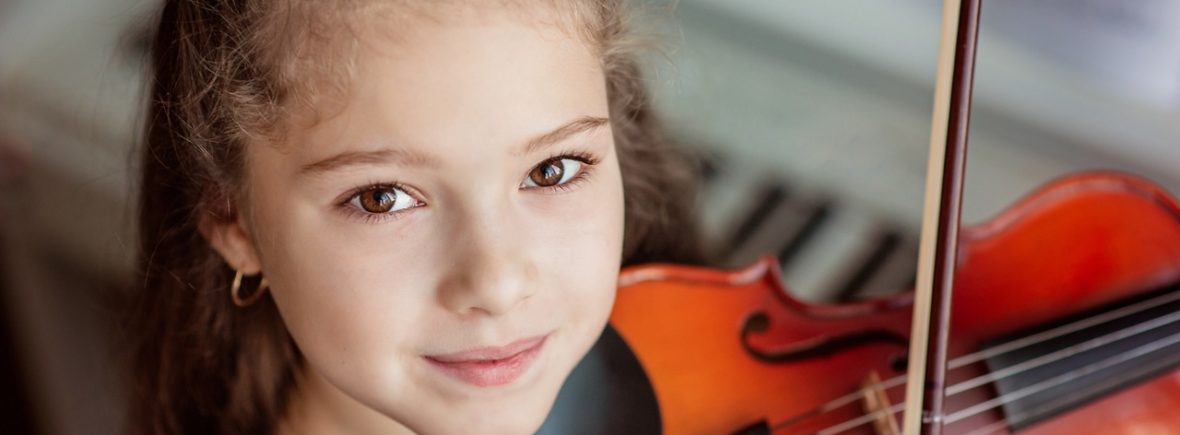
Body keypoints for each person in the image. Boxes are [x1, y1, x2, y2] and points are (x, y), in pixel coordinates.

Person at [126, 0, 702, 434]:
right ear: (233, 220)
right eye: (383, 198)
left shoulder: (694, 371)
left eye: (552, 170)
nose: (497, 286)